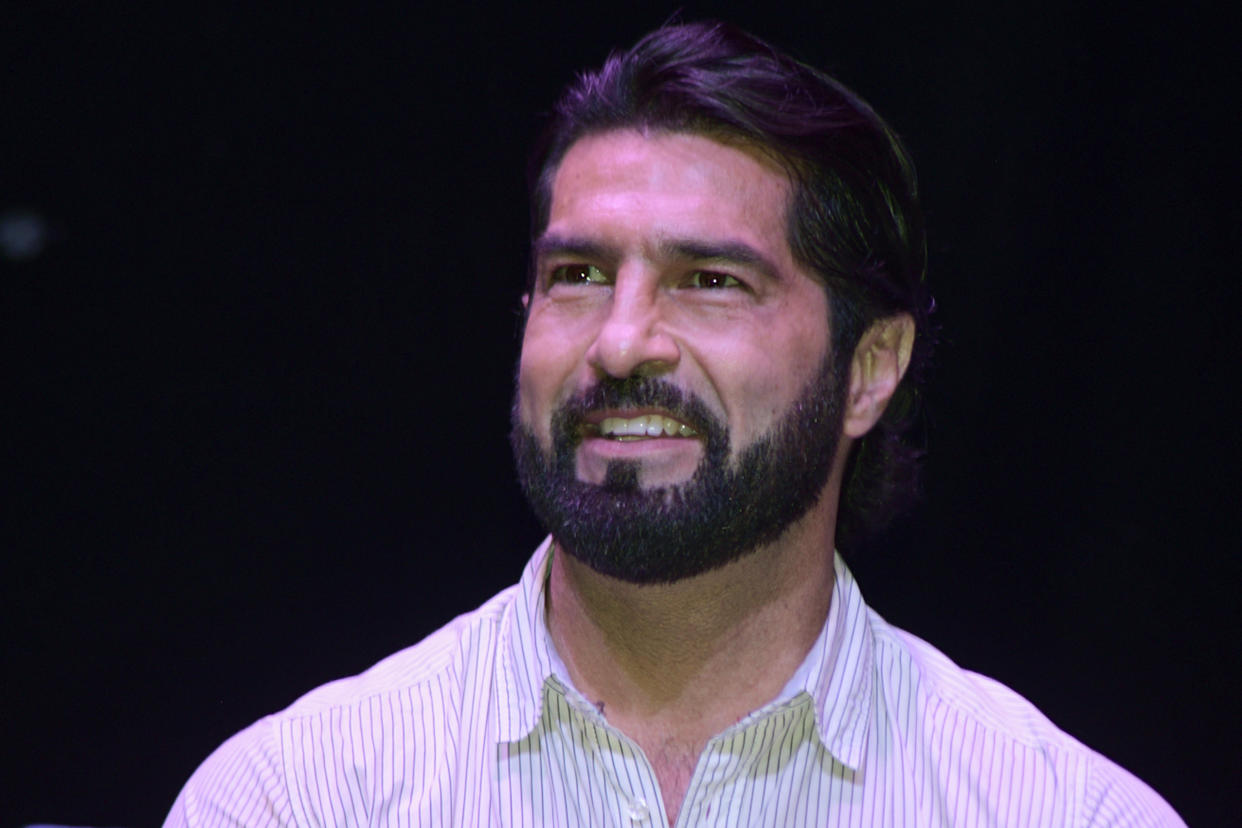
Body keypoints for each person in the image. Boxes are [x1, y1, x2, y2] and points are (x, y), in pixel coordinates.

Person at [166, 21, 1183, 827]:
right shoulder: (295, 800)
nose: (620, 344)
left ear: (871, 369)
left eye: (709, 281)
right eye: (579, 276)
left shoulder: (1058, 810)